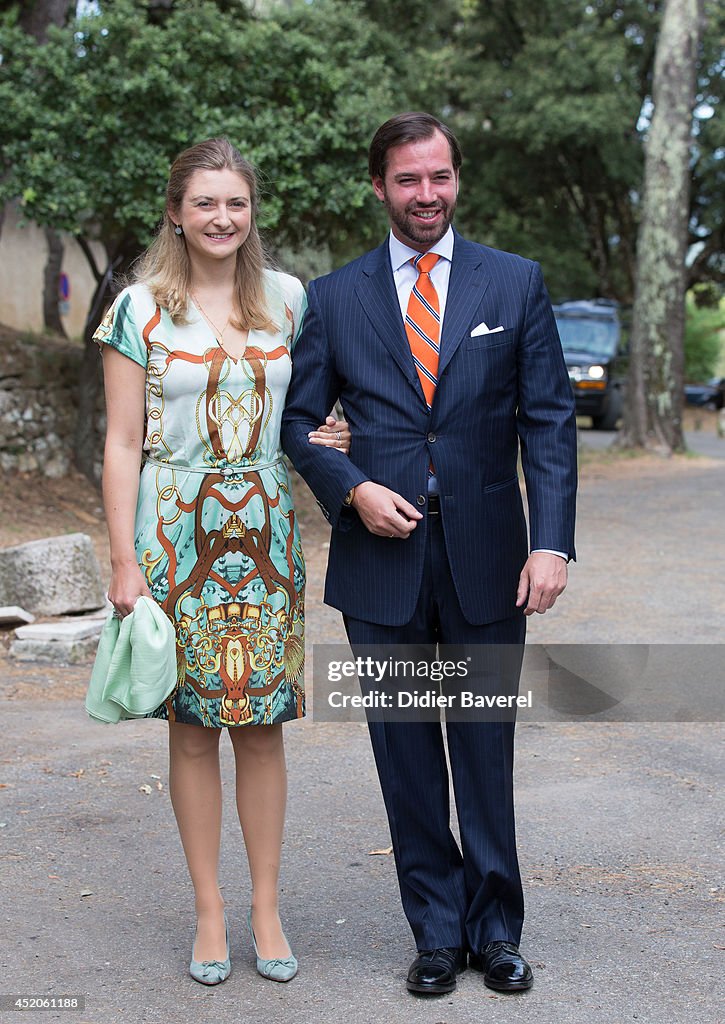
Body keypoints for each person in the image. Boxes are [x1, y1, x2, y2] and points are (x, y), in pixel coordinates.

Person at [281, 112, 577, 996]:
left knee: (484, 750)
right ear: (378, 185)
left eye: (438, 177)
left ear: (457, 180)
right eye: (407, 180)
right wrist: (351, 490)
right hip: (382, 564)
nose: (425, 196)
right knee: (407, 755)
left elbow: (550, 422)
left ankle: (497, 931)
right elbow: (299, 424)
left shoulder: (513, 283)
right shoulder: (332, 298)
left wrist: (552, 542)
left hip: (490, 556)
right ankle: (436, 935)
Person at [95, 137, 350, 986]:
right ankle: (208, 909)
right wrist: (124, 560)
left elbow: (311, 411)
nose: (220, 217)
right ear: (175, 211)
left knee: (265, 727)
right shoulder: (136, 307)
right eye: (204, 202)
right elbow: (122, 443)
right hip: (175, 532)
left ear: (253, 211)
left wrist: (331, 436)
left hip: (267, 530)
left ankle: (265, 906)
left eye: (235, 202)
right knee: (195, 730)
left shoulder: (289, 299)